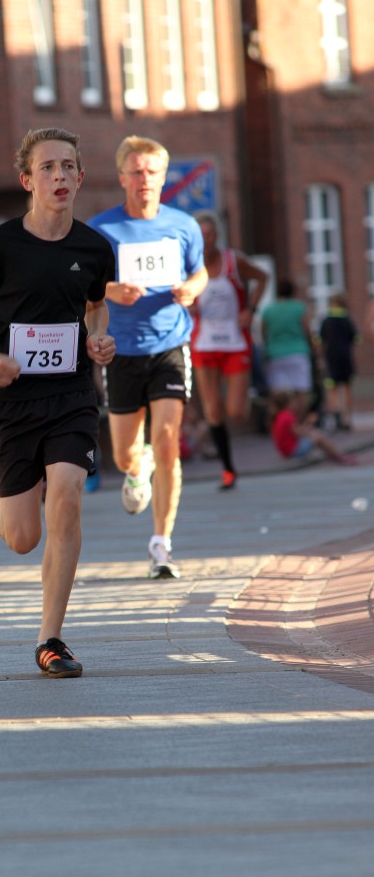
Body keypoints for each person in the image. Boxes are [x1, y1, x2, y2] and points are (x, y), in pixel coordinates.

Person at [0, 126, 115, 678]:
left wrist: (98, 338)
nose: (59, 176)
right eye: (47, 168)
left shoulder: (94, 248)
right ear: (27, 180)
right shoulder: (1, 244)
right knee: (22, 539)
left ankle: (51, 639)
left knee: (67, 493)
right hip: (12, 401)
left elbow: (95, 306)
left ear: (80, 177)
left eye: (68, 167)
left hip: (71, 394)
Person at [87, 135, 208, 579]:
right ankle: (137, 470)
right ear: (122, 177)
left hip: (170, 344)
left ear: (163, 176)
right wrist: (110, 290)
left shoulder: (183, 225)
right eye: (136, 172)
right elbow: (84, 290)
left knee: (168, 439)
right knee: (124, 455)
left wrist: (191, 289)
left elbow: (200, 271)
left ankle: (161, 544)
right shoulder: (102, 230)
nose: (145, 179)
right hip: (122, 350)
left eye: (152, 171)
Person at [190, 212, 268, 490]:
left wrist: (251, 309)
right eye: (200, 236)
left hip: (235, 342)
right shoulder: (189, 265)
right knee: (213, 411)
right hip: (204, 343)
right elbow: (176, 294)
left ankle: (250, 397)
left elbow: (263, 277)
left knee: (236, 412)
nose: (206, 241)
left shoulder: (234, 262)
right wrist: (187, 303)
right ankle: (228, 469)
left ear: (217, 236)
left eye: (210, 235)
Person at [261, 279, 314, 413]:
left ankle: (280, 420)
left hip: (275, 353)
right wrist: (313, 349)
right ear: (293, 292)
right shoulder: (299, 308)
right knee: (301, 392)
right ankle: (299, 421)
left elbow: (263, 332)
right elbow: (307, 331)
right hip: (298, 352)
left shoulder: (268, 310)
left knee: (277, 393)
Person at [269, 391, 357, 465]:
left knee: (315, 435)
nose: (295, 405)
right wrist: (309, 424)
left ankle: (334, 454)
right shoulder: (287, 416)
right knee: (317, 436)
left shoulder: (279, 416)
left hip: (284, 452)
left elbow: (294, 432)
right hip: (292, 451)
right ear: (288, 404)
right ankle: (339, 456)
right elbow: (299, 433)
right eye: (293, 402)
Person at [320, 291, 358, 431]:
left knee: (332, 389)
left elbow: (320, 339)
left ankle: (336, 417)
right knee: (347, 387)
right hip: (345, 357)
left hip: (331, 358)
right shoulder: (347, 319)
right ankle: (347, 418)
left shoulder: (327, 320)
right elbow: (355, 338)